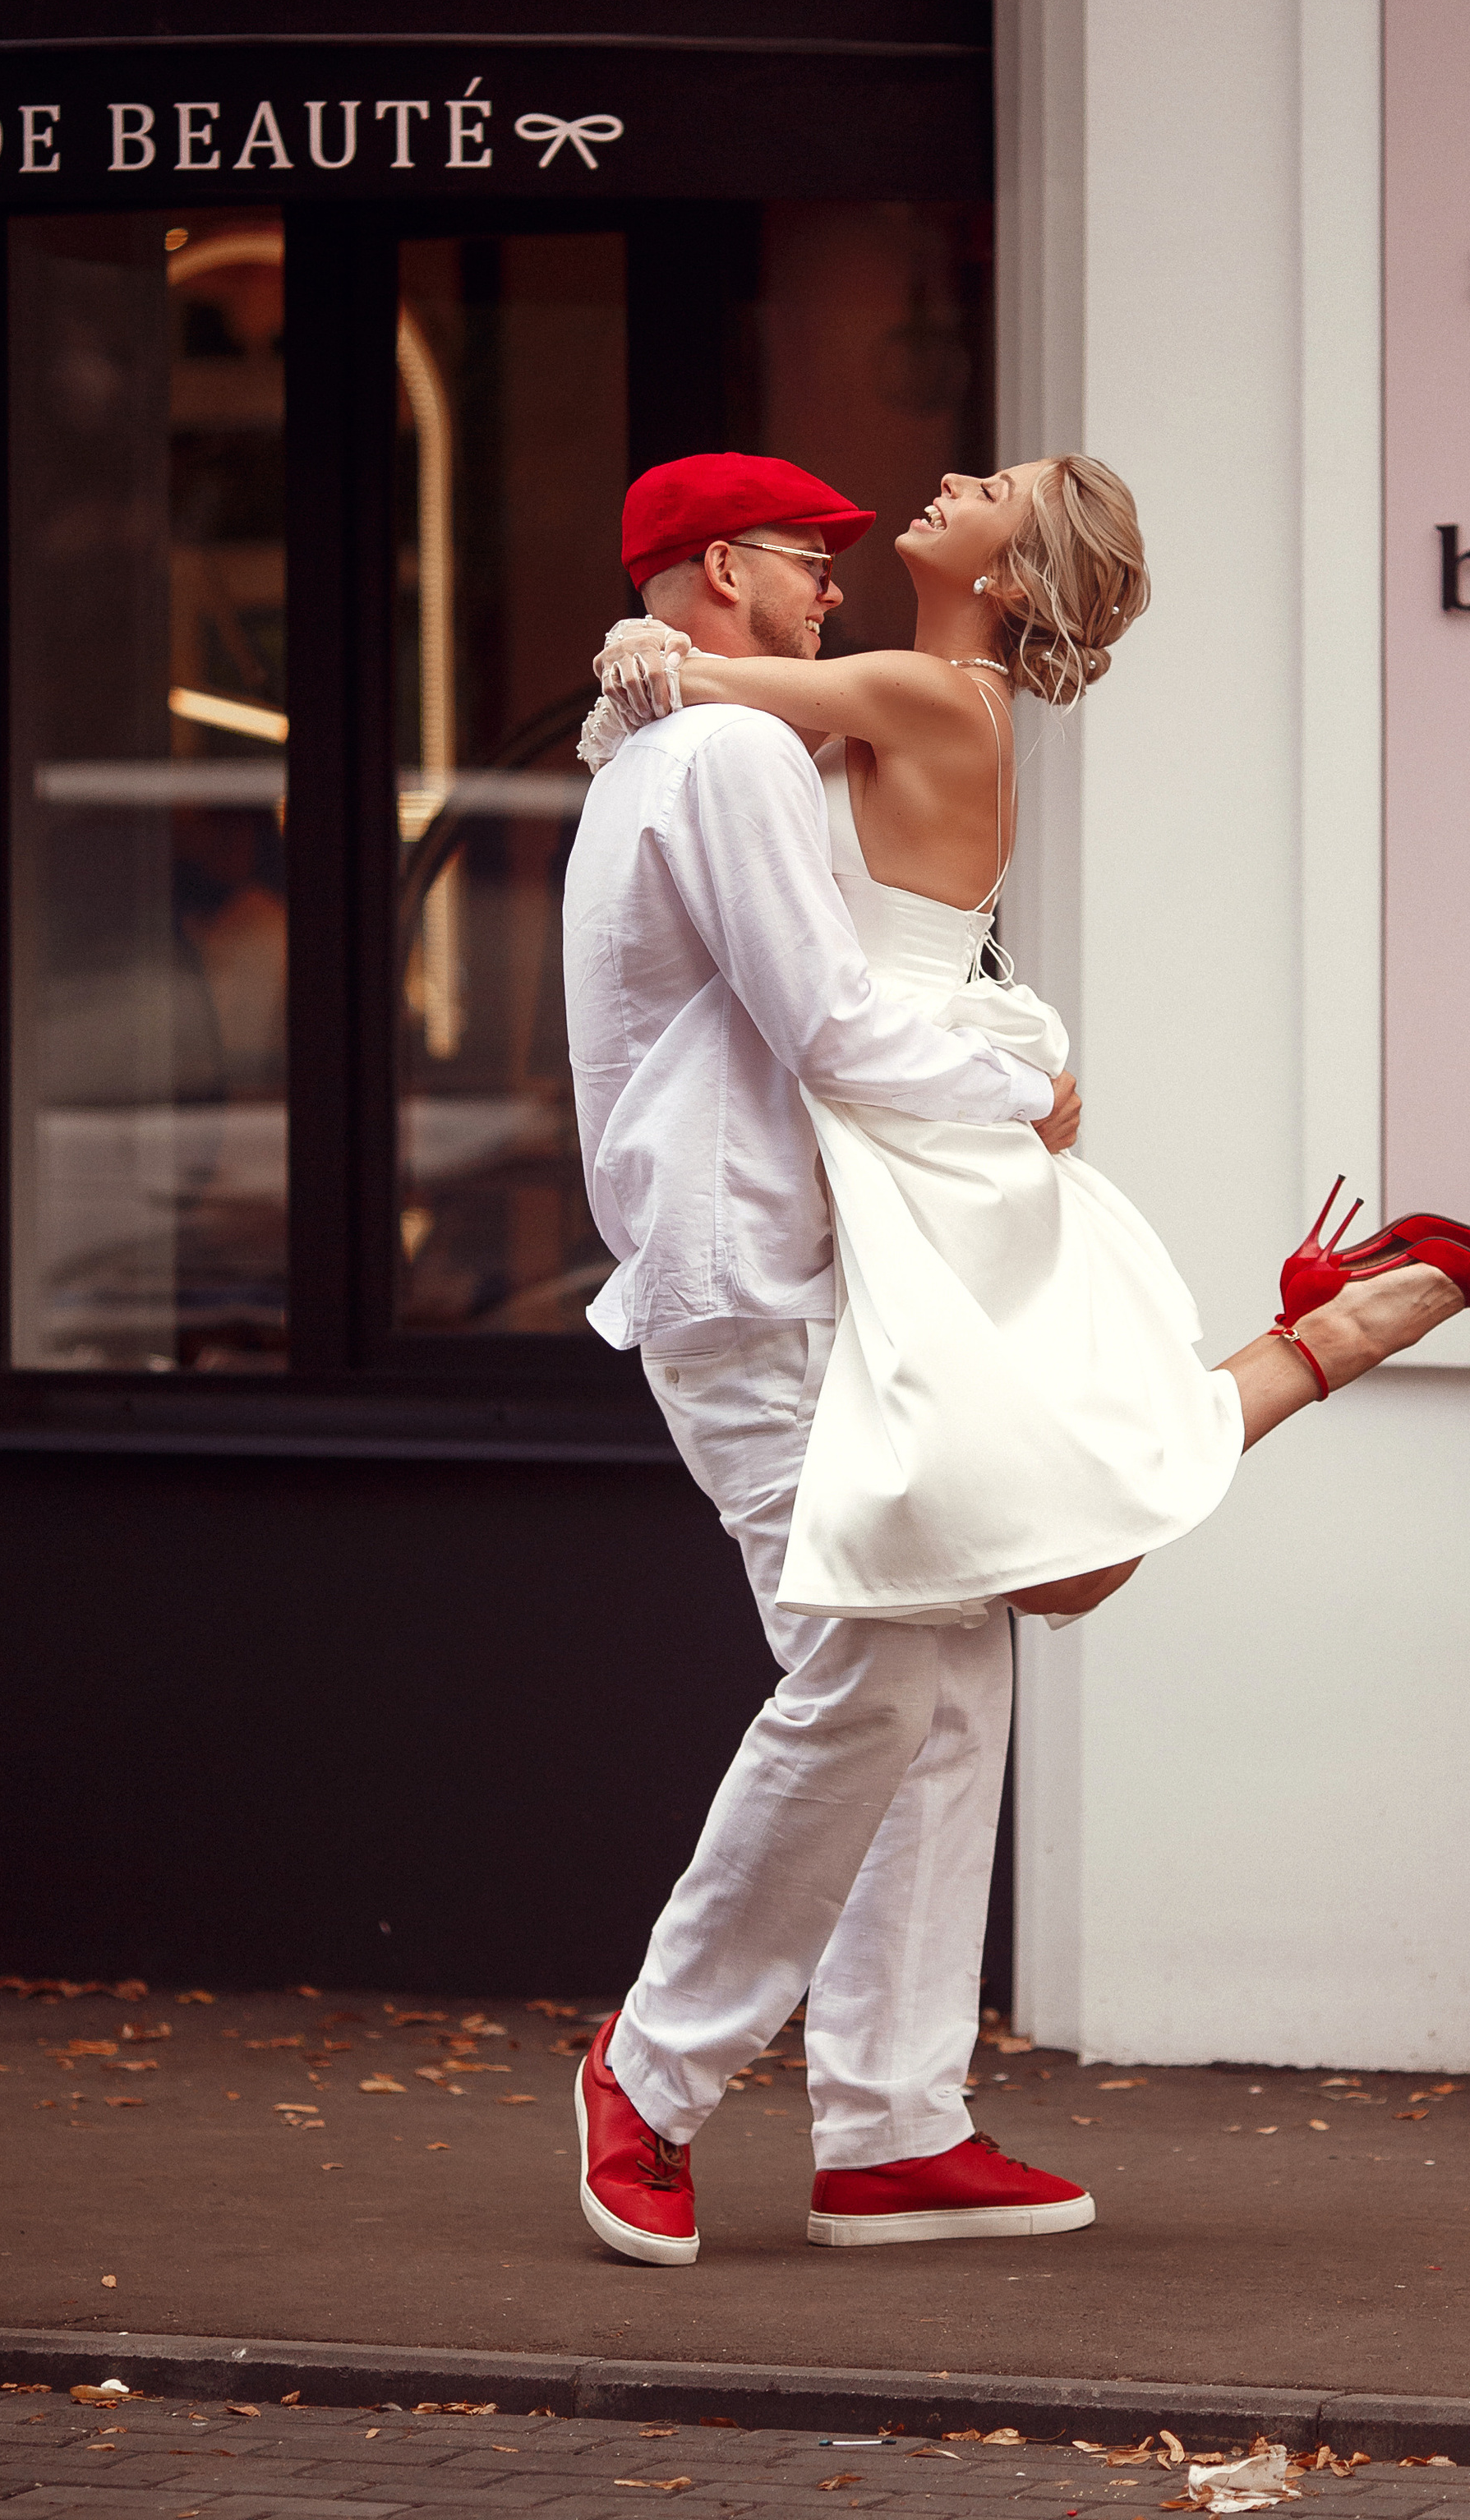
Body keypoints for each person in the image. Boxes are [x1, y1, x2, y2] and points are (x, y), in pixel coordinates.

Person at [594, 452, 1470, 1630]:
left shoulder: (931, 692)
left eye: (991, 491)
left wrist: (644, 640)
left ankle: (1322, 1341)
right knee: (1028, 1528)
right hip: (900, 1087)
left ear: (1011, 580)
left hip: (906, 1091)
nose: (949, 475)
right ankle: (1318, 1338)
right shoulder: (922, 691)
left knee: (1030, 1525)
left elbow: (700, 688)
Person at [561, 450, 1097, 2268]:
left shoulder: (717, 732)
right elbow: (828, 1016)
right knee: (876, 1669)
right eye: (806, 561)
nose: (830, 591)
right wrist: (1023, 1090)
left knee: (952, 1672)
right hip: (749, 1281)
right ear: (726, 568)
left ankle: (891, 2129)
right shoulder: (718, 756)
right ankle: (651, 2068)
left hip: (805, 1266)